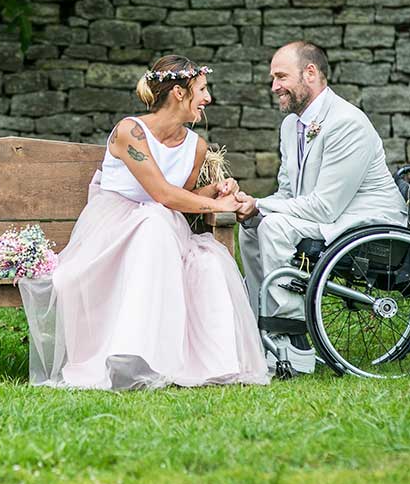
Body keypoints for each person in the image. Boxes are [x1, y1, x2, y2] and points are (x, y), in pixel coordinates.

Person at [19, 55, 271, 390]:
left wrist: (220, 190)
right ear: (179, 93)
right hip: (113, 232)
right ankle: (128, 355)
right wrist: (211, 203)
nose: (208, 98)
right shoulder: (130, 131)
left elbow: (181, 196)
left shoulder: (197, 146)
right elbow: (162, 193)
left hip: (165, 231)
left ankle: (187, 363)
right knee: (153, 219)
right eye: (202, 89)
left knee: (198, 255)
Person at [235, 41, 407, 370]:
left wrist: (262, 206)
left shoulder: (347, 122)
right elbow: (287, 192)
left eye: (281, 77)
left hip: (366, 223)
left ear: (310, 73)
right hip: (330, 216)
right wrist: (253, 207)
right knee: (252, 227)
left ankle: (293, 340)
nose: (274, 87)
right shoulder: (290, 126)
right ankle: (263, 331)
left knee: (272, 225)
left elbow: (326, 206)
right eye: (273, 78)